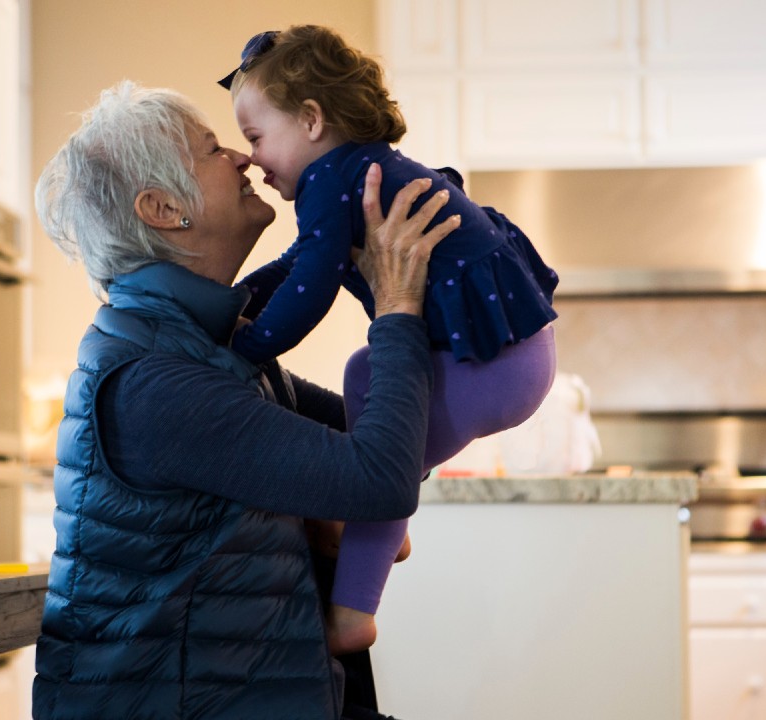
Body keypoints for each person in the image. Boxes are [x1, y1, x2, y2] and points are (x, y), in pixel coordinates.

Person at [31, 80, 458, 720]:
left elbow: (391, 441)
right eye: (211, 150)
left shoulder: (210, 346)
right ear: (162, 208)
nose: (242, 157)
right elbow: (382, 480)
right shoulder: (154, 381)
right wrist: (397, 306)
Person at [219, 24, 560, 655]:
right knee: (365, 372)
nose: (253, 160)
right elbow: (300, 262)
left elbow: (313, 284)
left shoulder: (331, 180)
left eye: (256, 138)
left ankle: (353, 610)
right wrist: (236, 304)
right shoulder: (357, 170)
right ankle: (381, 525)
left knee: (377, 435)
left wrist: (251, 343)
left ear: (312, 121)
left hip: (493, 364)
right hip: (515, 356)